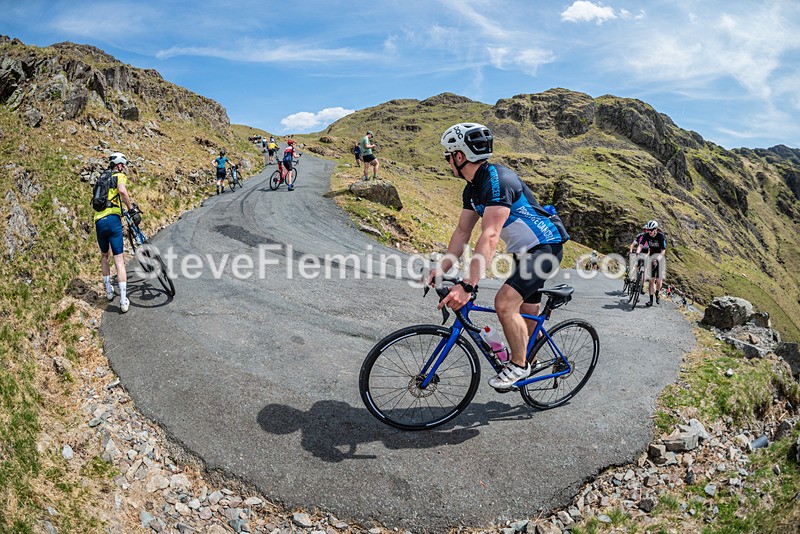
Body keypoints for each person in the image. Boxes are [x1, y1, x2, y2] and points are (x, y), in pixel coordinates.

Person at [428, 123, 570, 390]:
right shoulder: (471, 189)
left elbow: (490, 235)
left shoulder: (498, 181)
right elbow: (462, 232)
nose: (447, 161)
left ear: (459, 156)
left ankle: (519, 365)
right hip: (523, 252)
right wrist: (443, 266)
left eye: (448, 155)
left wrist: (468, 285)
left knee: (504, 303)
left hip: (545, 247)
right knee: (527, 314)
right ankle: (533, 359)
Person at [95, 152, 137, 313]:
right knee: (119, 261)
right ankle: (123, 300)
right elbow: (122, 192)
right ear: (119, 165)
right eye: (123, 165)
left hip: (98, 221)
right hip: (113, 220)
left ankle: (108, 291)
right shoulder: (119, 176)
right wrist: (130, 208)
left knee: (104, 256)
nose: (124, 168)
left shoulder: (101, 178)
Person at [635, 219, 667, 306]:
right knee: (651, 280)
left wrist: (658, 259)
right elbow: (641, 245)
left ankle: (657, 294)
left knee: (659, 280)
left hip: (660, 257)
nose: (650, 232)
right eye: (649, 230)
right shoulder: (646, 235)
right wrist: (637, 252)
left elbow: (663, 251)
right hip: (651, 257)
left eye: (652, 230)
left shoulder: (661, 237)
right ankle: (651, 300)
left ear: (656, 229)